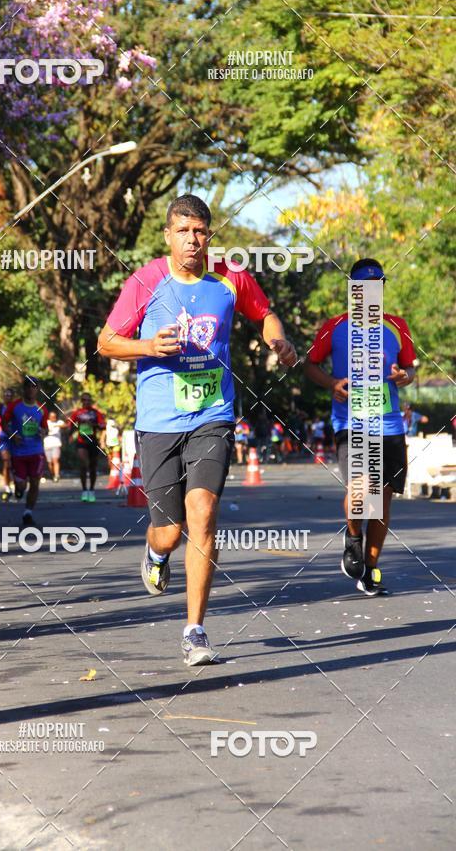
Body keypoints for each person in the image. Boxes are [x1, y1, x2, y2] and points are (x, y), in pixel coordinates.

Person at [98, 194, 296, 665]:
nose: (192, 240)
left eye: (200, 232)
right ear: (168, 235)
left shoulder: (229, 277)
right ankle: (157, 555)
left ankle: (195, 631)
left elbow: (264, 312)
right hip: (159, 422)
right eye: (183, 231)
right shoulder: (147, 280)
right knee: (168, 532)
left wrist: (279, 339)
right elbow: (106, 343)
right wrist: (148, 345)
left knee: (203, 514)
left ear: (209, 235)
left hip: (213, 415)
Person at [304, 258, 416, 596]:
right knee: (360, 490)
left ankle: (370, 567)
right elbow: (309, 364)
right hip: (350, 423)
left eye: (376, 285)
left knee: (381, 501)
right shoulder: (334, 326)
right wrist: (331, 383)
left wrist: (403, 377)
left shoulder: (397, 325)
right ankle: (353, 536)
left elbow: (411, 371)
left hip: (390, 424)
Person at [2, 376, 47, 526]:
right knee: (21, 486)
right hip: (19, 452)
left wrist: (43, 432)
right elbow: (4, 423)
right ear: (24, 388)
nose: (31, 389)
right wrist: (12, 435)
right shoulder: (14, 406)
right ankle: (18, 487)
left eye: (34, 386)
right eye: (28, 386)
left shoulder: (42, 408)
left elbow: (45, 427)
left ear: (38, 389)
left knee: (35, 482)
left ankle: (28, 512)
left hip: (36, 451)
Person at [69, 392, 106, 502]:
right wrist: (71, 433)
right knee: (83, 464)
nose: (86, 402)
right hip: (81, 442)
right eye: (84, 400)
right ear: (81, 401)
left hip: (93, 442)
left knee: (93, 467)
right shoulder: (77, 413)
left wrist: (93, 424)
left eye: (88, 400)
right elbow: (71, 424)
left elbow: (103, 426)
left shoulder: (96, 413)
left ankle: (91, 490)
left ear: (91, 401)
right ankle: (84, 490)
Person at [0, 387, 15, 501]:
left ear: (12, 396)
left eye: (9, 395)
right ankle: (7, 488)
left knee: (15, 463)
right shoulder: (0, 408)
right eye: (5, 395)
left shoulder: (17, 407)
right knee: (6, 462)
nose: (7, 396)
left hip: (15, 438)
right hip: (4, 437)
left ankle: (16, 484)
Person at [43, 411, 64, 481]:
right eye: (51, 416)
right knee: (49, 462)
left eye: (54, 416)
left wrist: (56, 425)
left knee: (55, 460)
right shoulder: (46, 422)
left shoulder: (59, 422)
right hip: (47, 445)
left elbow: (65, 425)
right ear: (49, 417)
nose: (53, 418)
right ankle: (52, 474)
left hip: (56, 444)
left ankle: (57, 475)